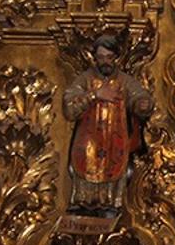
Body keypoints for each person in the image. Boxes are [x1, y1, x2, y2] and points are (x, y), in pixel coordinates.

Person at [62, 34, 154, 216]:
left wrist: (142, 103)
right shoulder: (85, 79)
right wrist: (94, 95)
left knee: (113, 172)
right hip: (88, 142)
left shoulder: (124, 81)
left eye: (109, 57)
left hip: (114, 142)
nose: (105, 62)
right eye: (101, 57)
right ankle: (84, 205)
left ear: (116, 58)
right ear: (95, 58)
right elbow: (69, 107)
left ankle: (110, 206)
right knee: (86, 173)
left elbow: (138, 96)